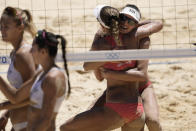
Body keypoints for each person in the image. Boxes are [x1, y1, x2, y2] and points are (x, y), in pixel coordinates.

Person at [60, 5, 162, 131]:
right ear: (117, 19)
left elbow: (90, 69)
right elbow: (98, 76)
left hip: (134, 94)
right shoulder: (132, 36)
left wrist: (109, 71)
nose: (125, 22)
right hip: (134, 105)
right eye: (123, 18)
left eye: (130, 21)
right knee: (91, 111)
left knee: (153, 122)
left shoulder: (137, 37)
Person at [0, 29, 71, 131]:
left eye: (33, 48)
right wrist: (6, 112)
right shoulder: (41, 73)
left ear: (44, 52)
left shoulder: (52, 78)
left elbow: (46, 120)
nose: (30, 52)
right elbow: (15, 97)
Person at [0, 6, 37, 131]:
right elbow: (21, 92)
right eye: (1, 26)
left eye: (6, 27)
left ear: (20, 28)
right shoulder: (15, 53)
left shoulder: (24, 54)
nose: (2, 30)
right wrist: (7, 114)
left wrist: (3, 106)